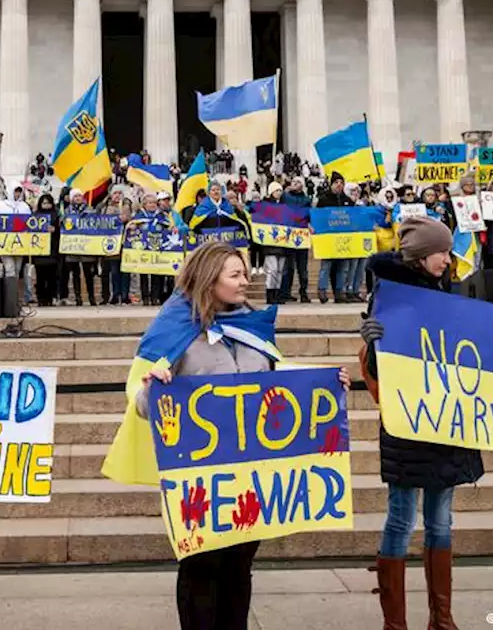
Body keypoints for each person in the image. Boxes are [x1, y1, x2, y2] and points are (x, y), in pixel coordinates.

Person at [124, 242, 352, 630]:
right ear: (209, 279)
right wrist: (155, 386)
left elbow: (273, 383)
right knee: (201, 567)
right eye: (236, 275)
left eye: (245, 273)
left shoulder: (252, 326)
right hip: (198, 476)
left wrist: (325, 386)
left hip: (250, 471)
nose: (246, 281)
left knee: (239, 565)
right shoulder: (175, 327)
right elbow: (144, 407)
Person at [360, 217, 493, 630]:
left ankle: (442, 618)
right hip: (409, 423)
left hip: (449, 424)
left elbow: (479, 349)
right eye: (441, 252)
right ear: (420, 255)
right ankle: (395, 623)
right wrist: (372, 341)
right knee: (401, 519)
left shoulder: (453, 291)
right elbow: (383, 370)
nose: (448, 259)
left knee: (441, 521)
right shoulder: (391, 297)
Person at [315, 174, 351, 303]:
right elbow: (318, 217)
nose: (339, 184)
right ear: (331, 184)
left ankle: (339, 292)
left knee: (343, 267)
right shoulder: (324, 199)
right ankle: (322, 290)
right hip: (328, 238)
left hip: (343, 239)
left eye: (342, 182)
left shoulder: (347, 200)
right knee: (326, 266)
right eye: (336, 182)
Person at [63, 189, 100, 305]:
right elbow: (62, 224)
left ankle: (91, 297)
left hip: (86, 246)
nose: (78, 198)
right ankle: (78, 297)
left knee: (88, 274)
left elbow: (96, 224)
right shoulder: (67, 211)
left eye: (79, 196)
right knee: (75, 274)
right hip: (72, 246)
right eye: (75, 196)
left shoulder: (90, 210)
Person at [280, 176, 312, 303]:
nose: (296, 184)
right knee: (288, 267)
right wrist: (286, 191)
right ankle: (285, 292)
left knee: (302, 268)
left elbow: (308, 215)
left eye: (298, 182)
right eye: (294, 181)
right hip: (289, 235)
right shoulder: (285, 196)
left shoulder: (306, 199)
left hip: (302, 235)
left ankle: (303, 292)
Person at [260, 181, 287, 305]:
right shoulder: (265, 205)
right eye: (277, 191)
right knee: (273, 269)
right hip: (270, 242)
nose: (279, 193)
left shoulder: (284, 206)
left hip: (282, 242)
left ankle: (277, 292)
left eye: (280, 191)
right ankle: (270, 293)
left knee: (280, 270)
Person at [34, 193, 62, 306]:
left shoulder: (57, 215)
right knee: (40, 276)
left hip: (53, 249)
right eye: (44, 203)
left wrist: (55, 230)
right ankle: (41, 298)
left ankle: (51, 297)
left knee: (52, 276)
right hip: (39, 250)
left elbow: (63, 231)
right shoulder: (35, 215)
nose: (46, 205)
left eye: (48, 203)